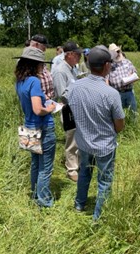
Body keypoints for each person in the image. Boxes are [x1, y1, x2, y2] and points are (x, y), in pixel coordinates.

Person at [68, 45, 125, 221]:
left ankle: (79, 204)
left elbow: (68, 111)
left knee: (84, 172)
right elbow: (120, 125)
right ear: (107, 65)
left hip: (84, 142)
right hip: (104, 146)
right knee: (104, 181)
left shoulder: (74, 87)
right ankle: (98, 217)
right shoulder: (111, 93)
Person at [14, 46, 57, 208]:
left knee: (35, 163)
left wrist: (41, 98)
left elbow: (30, 101)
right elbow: (38, 109)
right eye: (41, 64)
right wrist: (51, 108)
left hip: (28, 126)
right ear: (34, 64)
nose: (43, 67)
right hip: (43, 127)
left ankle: (34, 194)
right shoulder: (34, 81)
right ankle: (44, 201)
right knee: (45, 168)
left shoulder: (20, 81)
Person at [52, 41, 84, 182]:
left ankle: (80, 164)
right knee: (71, 140)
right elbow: (61, 93)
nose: (80, 57)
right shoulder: (60, 71)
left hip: (78, 107)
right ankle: (72, 169)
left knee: (80, 138)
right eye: (77, 54)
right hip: (68, 109)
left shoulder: (72, 68)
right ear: (69, 54)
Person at [107, 43, 138, 118]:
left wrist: (132, 76)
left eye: (118, 51)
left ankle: (134, 128)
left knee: (133, 114)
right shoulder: (109, 66)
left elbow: (135, 73)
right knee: (118, 116)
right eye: (115, 53)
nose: (117, 54)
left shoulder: (127, 62)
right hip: (117, 94)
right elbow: (106, 81)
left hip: (129, 92)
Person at [29, 34, 54, 100]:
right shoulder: (28, 62)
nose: (45, 50)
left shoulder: (40, 59)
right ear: (36, 45)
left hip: (48, 102)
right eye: (44, 47)